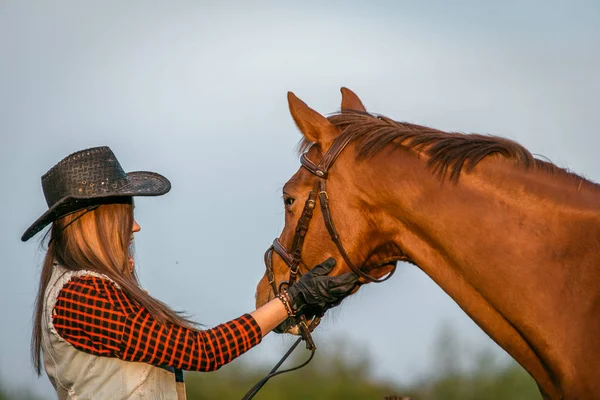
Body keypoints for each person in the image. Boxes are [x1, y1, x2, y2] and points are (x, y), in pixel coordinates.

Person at [22, 146, 358, 400]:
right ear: (98, 219)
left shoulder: (87, 289)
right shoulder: (81, 295)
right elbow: (203, 351)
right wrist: (292, 299)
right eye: (127, 216)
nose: (135, 227)